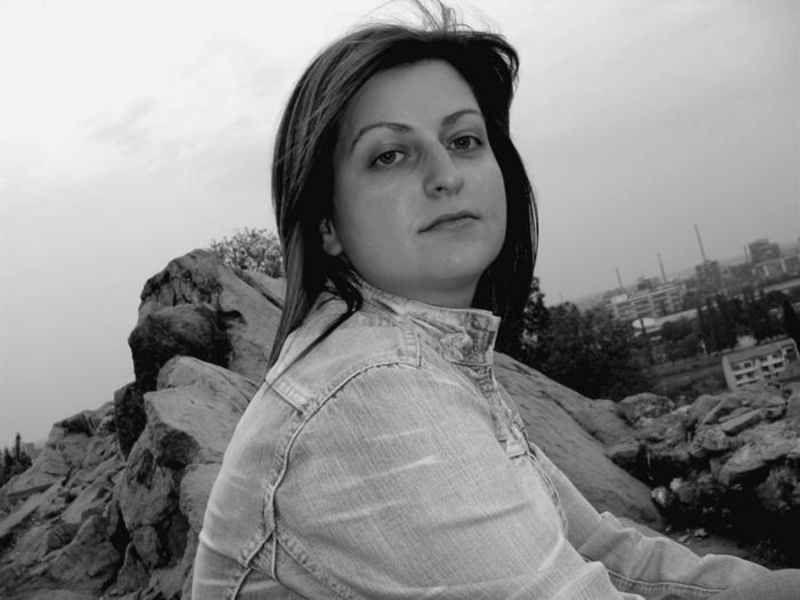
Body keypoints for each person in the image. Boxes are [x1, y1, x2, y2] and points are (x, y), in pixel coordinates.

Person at [192, 2, 800, 598]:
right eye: (390, 155)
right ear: (325, 222)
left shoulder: (432, 357)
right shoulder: (371, 390)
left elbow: (611, 555)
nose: (446, 175)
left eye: (463, 140)